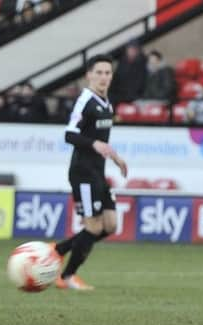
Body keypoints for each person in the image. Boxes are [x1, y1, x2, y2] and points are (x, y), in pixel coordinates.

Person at [53, 54, 127, 291]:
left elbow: (101, 140)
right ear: (89, 75)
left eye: (108, 73)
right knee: (94, 226)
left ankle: (60, 250)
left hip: (98, 172)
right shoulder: (85, 100)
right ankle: (67, 276)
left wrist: (114, 156)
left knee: (111, 225)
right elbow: (70, 134)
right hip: (83, 173)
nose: (104, 77)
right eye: (99, 72)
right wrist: (94, 145)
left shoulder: (107, 102)